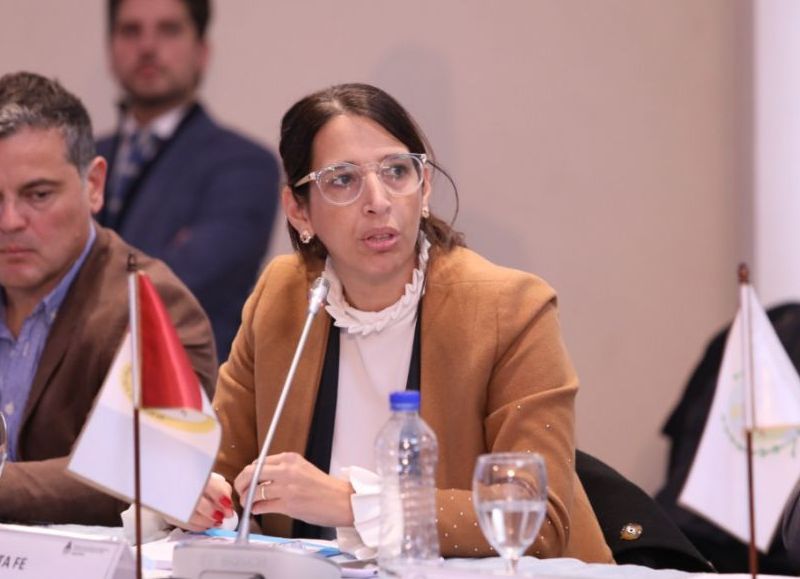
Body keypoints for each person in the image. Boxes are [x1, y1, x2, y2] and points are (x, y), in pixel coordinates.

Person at [188, 83, 612, 561]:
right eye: (342, 179)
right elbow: (225, 471)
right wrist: (204, 498)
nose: (378, 200)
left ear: (424, 186)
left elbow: (537, 519)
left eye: (396, 171)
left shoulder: (510, 308)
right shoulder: (282, 297)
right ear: (298, 210)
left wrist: (352, 505)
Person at [0, 71, 217, 526]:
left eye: (37, 195)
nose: (10, 221)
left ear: (94, 185)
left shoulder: (151, 304)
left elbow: (144, 470)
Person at [96, 0, 280, 362]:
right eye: (131, 31)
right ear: (110, 49)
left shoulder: (245, 165)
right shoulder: (76, 160)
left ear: (202, 51)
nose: (147, 46)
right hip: (76, 389)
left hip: (187, 384)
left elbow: (176, 285)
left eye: (169, 29)